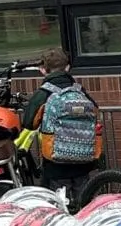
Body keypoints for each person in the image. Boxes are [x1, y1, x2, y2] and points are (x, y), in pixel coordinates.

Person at [18, 48, 99, 192]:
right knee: (85, 200)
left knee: (59, 202)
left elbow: (29, 123)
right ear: (67, 67)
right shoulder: (80, 91)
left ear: (42, 70)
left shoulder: (44, 94)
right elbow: (95, 111)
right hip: (84, 158)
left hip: (56, 162)